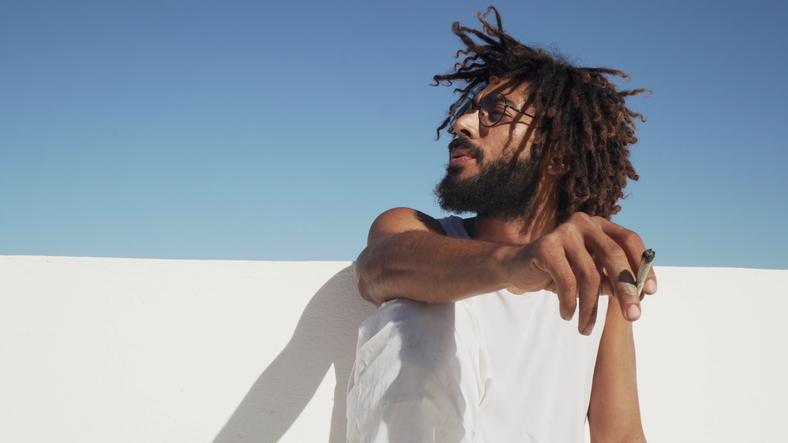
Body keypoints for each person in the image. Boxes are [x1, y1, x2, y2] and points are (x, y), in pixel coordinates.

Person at [346, 7, 656, 442]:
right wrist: (517, 263)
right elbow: (376, 270)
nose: (463, 123)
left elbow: (620, 435)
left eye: (496, 112)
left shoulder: (595, 277)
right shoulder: (416, 230)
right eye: (472, 109)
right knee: (414, 319)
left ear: (559, 157)